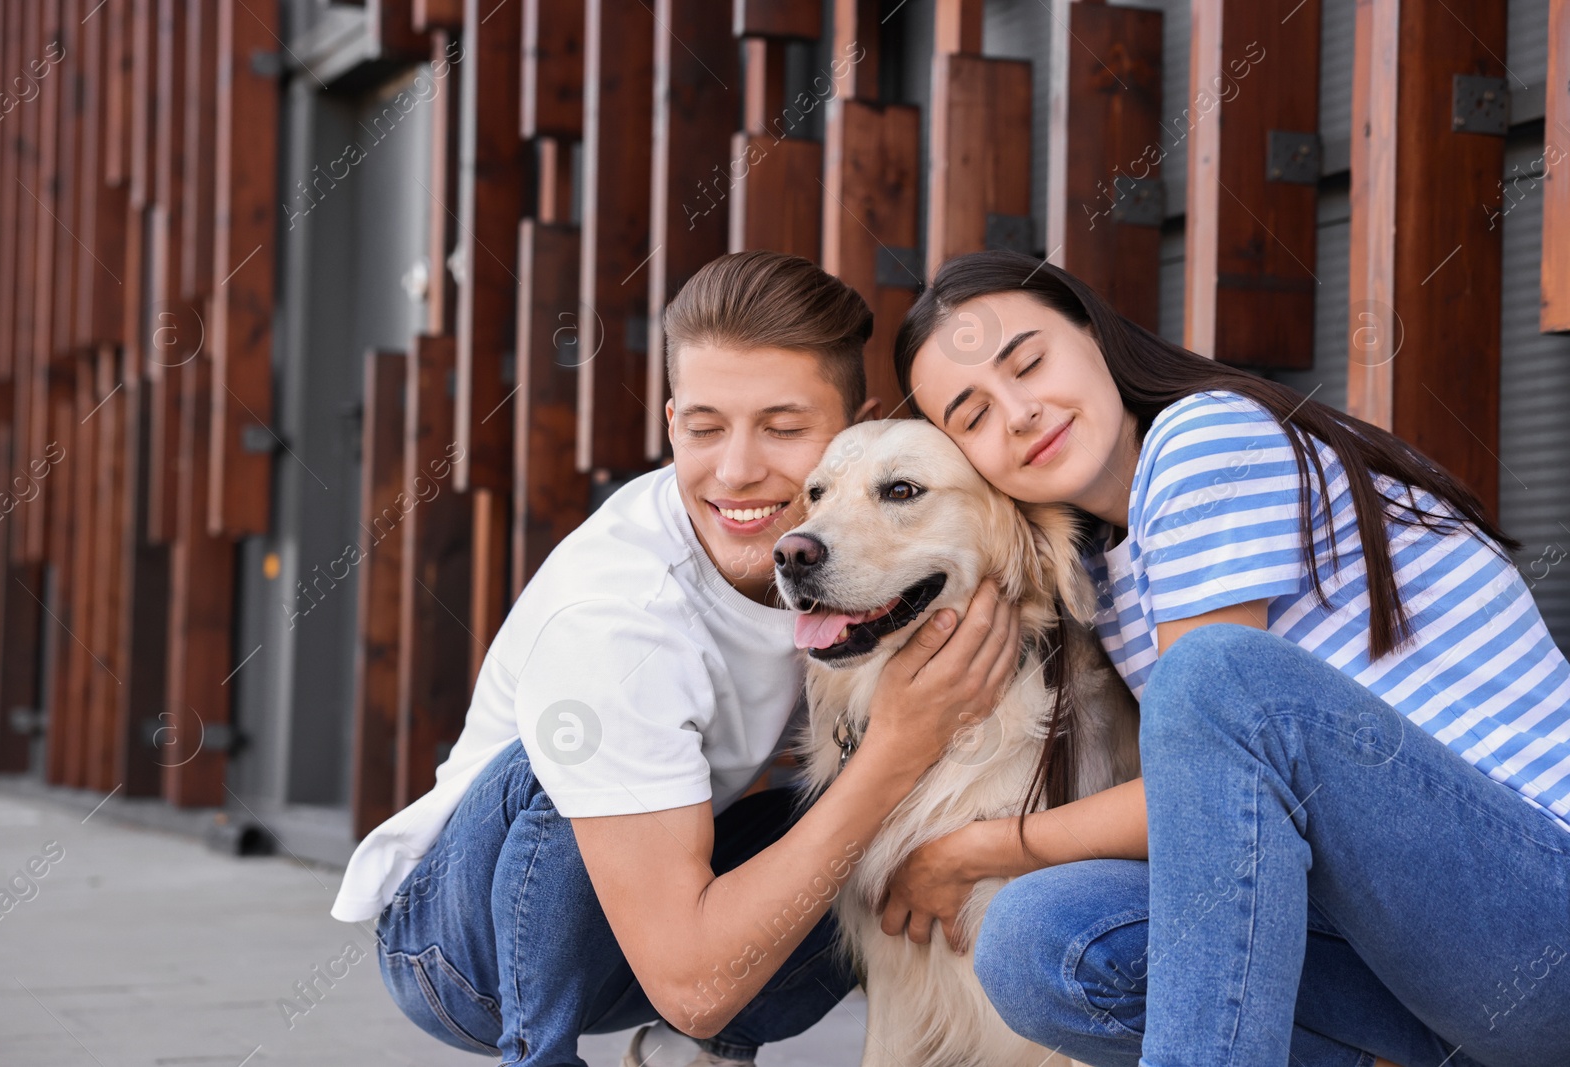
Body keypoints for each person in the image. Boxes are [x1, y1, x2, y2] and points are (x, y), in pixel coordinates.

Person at [328, 250, 1023, 1067]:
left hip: (650, 923)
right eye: (704, 429)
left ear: (858, 431)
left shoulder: (865, 561)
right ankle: (541, 1055)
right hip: (460, 953)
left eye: (785, 427)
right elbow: (695, 975)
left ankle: (688, 1050)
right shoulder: (621, 616)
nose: (736, 470)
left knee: (839, 825)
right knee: (567, 755)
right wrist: (897, 746)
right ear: (670, 426)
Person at [881, 249, 1570, 1067]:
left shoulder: (1206, 436)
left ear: (1095, 337)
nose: (1020, 414)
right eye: (974, 416)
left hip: (1538, 906)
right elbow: (1218, 824)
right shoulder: (1104, 564)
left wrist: (974, 846)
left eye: (1029, 362)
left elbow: (1196, 778)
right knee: (1038, 940)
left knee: (1216, 674)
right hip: (1422, 974)